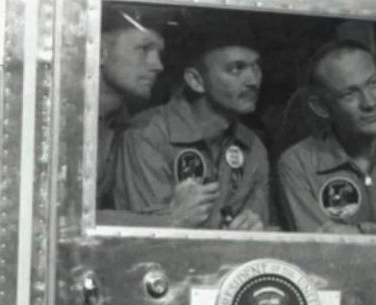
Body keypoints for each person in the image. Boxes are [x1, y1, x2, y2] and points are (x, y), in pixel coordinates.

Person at [114, 23, 270, 230]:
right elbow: (143, 236)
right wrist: (173, 219)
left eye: (256, 67)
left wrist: (254, 225)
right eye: (236, 69)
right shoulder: (147, 136)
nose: (253, 81)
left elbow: (258, 219)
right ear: (196, 80)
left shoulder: (253, 147)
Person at [277, 40, 376, 235]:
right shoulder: (299, 164)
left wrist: (359, 232)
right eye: (349, 94)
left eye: (373, 83)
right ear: (321, 107)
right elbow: (321, 248)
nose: (369, 103)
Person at [96, 6, 166, 211]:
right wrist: (169, 220)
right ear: (100, 52)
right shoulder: (59, 121)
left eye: (158, 53)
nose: (158, 65)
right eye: (144, 49)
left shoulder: (128, 125)